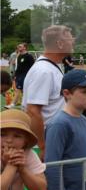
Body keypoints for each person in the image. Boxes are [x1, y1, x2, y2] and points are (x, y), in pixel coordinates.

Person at [43, 69, 86, 190]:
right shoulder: (59, 124)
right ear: (67, 93)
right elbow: (52, 166)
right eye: (85, 91)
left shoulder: (84, 120)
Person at [22, 25, 74, 161]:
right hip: (48, 138)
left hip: (53, 136)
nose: (73, 41)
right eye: (70, 38)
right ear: (60, 44)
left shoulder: (51, 67)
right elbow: (33, 111)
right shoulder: (44, 71)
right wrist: (42, 146)